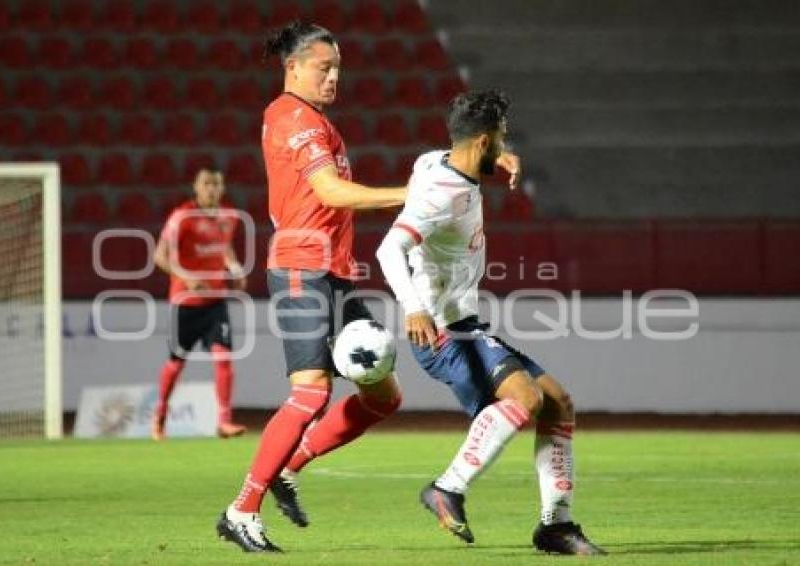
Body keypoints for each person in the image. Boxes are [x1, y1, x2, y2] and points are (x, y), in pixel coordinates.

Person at [376, 90, 605, 555]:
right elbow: (388, 248)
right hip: (444, 332)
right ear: (483, 140)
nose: (504, 143)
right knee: (527, 398)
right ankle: (447, 489)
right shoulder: (444, 195)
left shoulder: (433, 162)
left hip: (465, 324)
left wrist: (501, 159)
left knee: (557, 403)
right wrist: (413, 306)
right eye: (501, 137)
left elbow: (447, 157)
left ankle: (555, 526)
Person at [215, 22, 408, 553]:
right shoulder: (293, 117)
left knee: (383, 394)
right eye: (324, 67)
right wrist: (410, 194)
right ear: (292, 67)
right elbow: (330, 190)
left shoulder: (316, 120)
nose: (333, 77)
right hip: (302, 267)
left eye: (338, 68)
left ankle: (288, 467)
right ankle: (242, 509)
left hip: (335, 271)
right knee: (312, 392)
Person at [152, 169, 248, 441]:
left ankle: (224, 421)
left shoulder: (229, 217)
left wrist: (235, 267)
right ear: (195, 187)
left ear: (223, 187)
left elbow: (224, 248)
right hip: (185, 302)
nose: (211, 189)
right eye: (206, 184)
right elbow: (159, 256)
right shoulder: (182, 217)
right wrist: (186, 278)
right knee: (176, 363)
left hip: (215, 301)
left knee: (224, 357)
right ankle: (160, 414)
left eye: (216, 184)